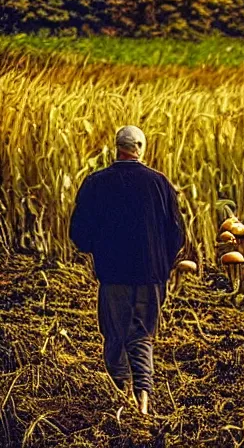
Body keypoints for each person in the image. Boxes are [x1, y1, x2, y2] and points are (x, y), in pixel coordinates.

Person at [69, 125, 185, 415]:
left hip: (114, 275)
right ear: (142, 149)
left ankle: (120, 397)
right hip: (151, 276)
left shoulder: (96, 183)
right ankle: (143, 401)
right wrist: (161, 264)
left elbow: (79, 233)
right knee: (143, 335)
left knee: (115, 334)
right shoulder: (160, 183)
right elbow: (178, 235)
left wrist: (100, 251)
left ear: (115, 148)